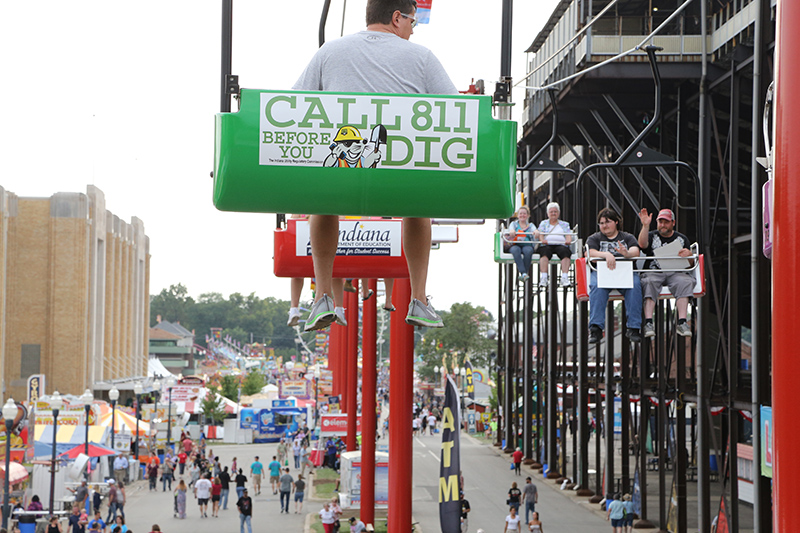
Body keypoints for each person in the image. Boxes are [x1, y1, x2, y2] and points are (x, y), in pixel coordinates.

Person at [294, 0, 456, 332]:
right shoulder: (422, 57)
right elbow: (456, 108)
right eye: (412, 21)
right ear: (397, 17)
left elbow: (298, 102)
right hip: (400, 174)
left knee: (322, 202)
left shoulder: (329, 52)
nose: (413, 29)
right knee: (418, 204)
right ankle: (419, 298)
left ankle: (323, 294)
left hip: (342, 175)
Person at [587, 208, 643, 343]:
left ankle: (634, 327)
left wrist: (626, 254)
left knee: (635, 286)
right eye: (601, 223)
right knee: (596, 286)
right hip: (602, 272)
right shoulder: (595, 238)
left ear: (616, 222)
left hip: (625, 271)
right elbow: (589, 253)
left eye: (607, 222)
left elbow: (636, 252)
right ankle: (596, 328)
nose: (604, 226)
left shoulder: (627, 237)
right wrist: (606, 254)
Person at [637, 208, 694, 338]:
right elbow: (642, 244)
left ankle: (682, 322)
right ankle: (648, 322)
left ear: (673, 223)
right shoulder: (651, 235)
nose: (662, 225)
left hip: (675, 272)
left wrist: (689, 255)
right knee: (649, 282)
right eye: (660, 222)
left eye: (666, 222)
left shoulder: (682, 239)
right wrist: (645, 226)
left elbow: (690, 265)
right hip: (654, 271)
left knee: (685, 281)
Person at [534, 202, 573, 288]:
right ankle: (544, 277)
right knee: (544, 252)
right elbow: (541, 234)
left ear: (558, 213)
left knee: (565, 252)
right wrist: (542, 240)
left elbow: (568, 235)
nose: (553, 214)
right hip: (547, 244)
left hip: (560, 244)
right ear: (548, 214)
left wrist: (568, 241)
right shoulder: (544, 223)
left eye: (555, 211)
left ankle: (565, 277)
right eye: (551, 212)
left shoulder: (564, 224)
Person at [506, 206, 536, 282]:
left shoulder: (530, 226)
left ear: (528, 215)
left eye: (524, 214)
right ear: (518, 215)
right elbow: (511, 229)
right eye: (520, 213)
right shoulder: (514, 224)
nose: (522, 215)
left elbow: (535, 230)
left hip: (527, 244)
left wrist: (536, 232)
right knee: (515, 250)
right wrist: (512, 231)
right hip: (516, 244)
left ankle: (523, 274)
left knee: (528, 251)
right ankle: (524, 273)